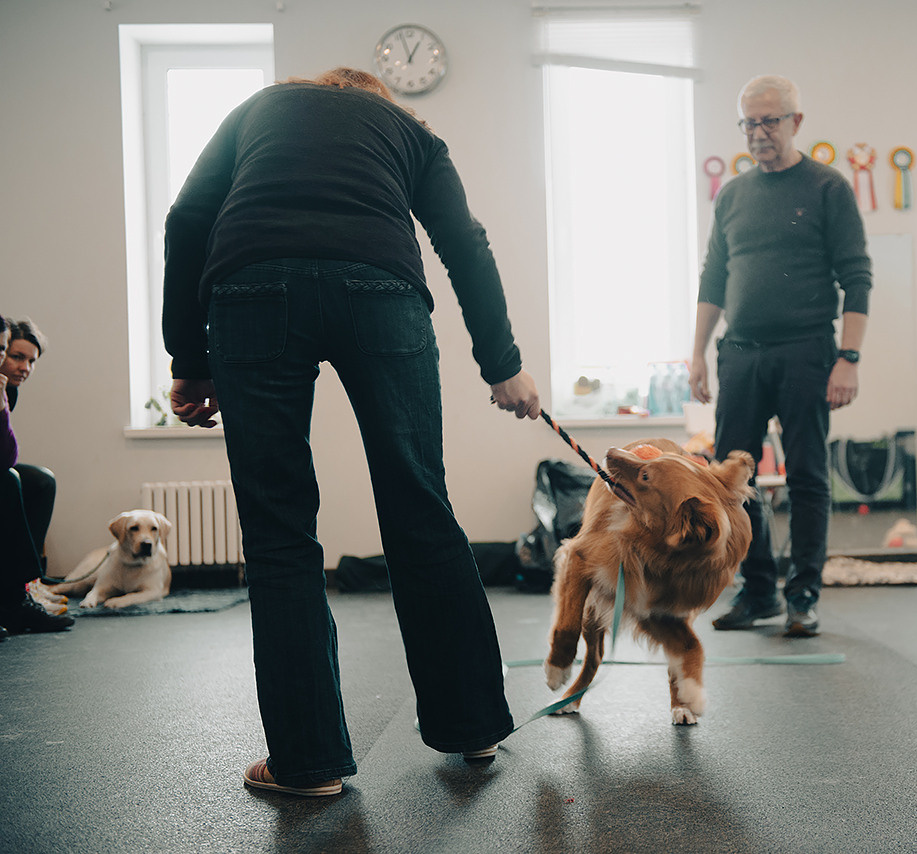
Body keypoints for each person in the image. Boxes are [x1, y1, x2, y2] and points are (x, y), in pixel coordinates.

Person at [163, 67, 540, 796]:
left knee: (278, 529)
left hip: (252, 287)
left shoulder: (262, 107)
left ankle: (307, 765)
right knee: (420, 505)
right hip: (382, 292)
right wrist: (503, 365)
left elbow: (186, 220)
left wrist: (190, 359)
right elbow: (465, 242)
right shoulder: (412, 134)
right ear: (381, 103)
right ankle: (473, 726)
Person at [689, 75, 872, 638]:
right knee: (731, 482)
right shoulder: (733, 196)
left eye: (770, 120)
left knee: (808, 476)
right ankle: (760, 590)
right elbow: (714, 277)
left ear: (796, 123)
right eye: (749, 122)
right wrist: (696, 353)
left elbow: (857, 278)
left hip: (806, 351)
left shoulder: (828, 188)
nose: (759, 132)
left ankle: (804, 594)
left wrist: (850, 358)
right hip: (740, 353)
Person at [1, 313, 75, 637]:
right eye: (17, 356)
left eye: (32, 361)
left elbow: (6, 455)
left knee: (41, 480)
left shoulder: (8, 391)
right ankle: (18, 596)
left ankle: (27, 584)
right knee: (10, 479)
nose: (25, 368)